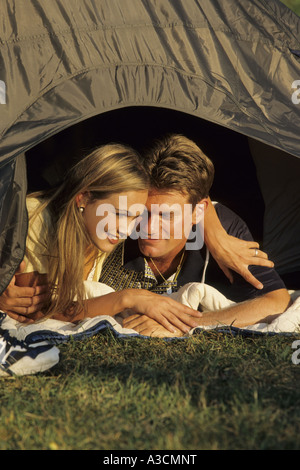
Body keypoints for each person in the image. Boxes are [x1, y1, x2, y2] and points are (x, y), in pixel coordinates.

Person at [0, 143, 204, 335]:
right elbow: (38, 311)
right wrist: (127, 297)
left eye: (135, 216)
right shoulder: (36, 218)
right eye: (118, 213)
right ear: (84, 198)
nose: (126, 230)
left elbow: (188, 199)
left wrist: (214, 233)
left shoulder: (98, 229)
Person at [96, 134, 291, 336]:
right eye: (144, 212)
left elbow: (277, 301)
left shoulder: (225, 231)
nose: (148, 227)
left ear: (198, 212)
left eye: (166, 216)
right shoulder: (120, 220)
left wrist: (183, 323)